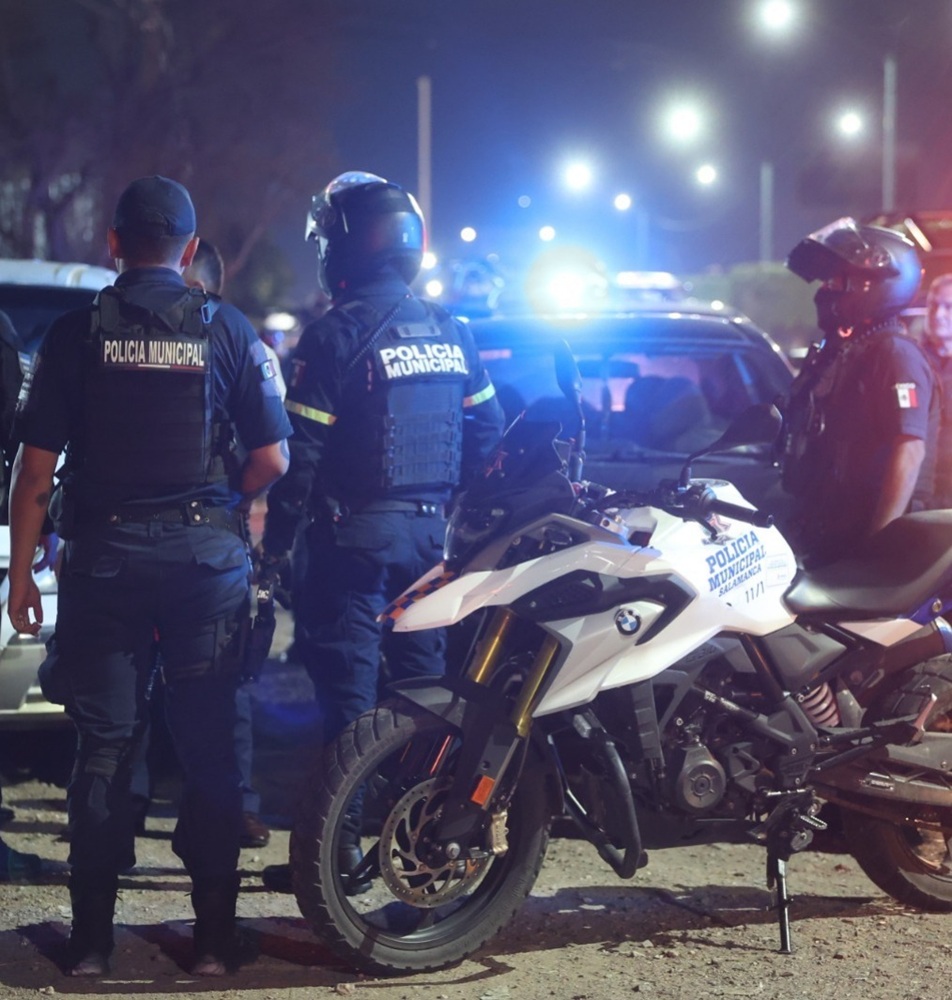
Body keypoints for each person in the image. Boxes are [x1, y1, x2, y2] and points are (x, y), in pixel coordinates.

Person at [6, 175, 291, 977]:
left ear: (114, 243)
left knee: (103, 745)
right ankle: (212, 944)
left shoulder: (74, 334)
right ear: (190, 250)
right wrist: (219, 505)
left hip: (104, 564)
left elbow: (34, 471)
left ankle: (91, 944)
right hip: (204, 567)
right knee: (208, 747)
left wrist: (22, 576)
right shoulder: (227, 328)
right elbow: (272, 458)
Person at [259, 170, 504, 892]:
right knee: (424, 702)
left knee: (349, 704)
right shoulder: (454, 331)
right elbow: (487, 435)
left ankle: (338, 861)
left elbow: (300, 459)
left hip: (353, 548)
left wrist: (275, 551)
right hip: (429, 549)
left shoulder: (336, 334)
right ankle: (418, 849)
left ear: (347, 247)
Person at [780, 217, 938, 567]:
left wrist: (876, 545)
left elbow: (909, 451)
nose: (827, 290)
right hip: (834, 530)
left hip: (874, 546)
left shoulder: (895, 353)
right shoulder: (849, 351)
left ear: (875, 284)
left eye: (839, 280)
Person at [920, 273, 952, 508]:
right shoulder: (912, 361)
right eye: (933, 305)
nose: (938, 314)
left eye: (949, 307)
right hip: (920, 495)